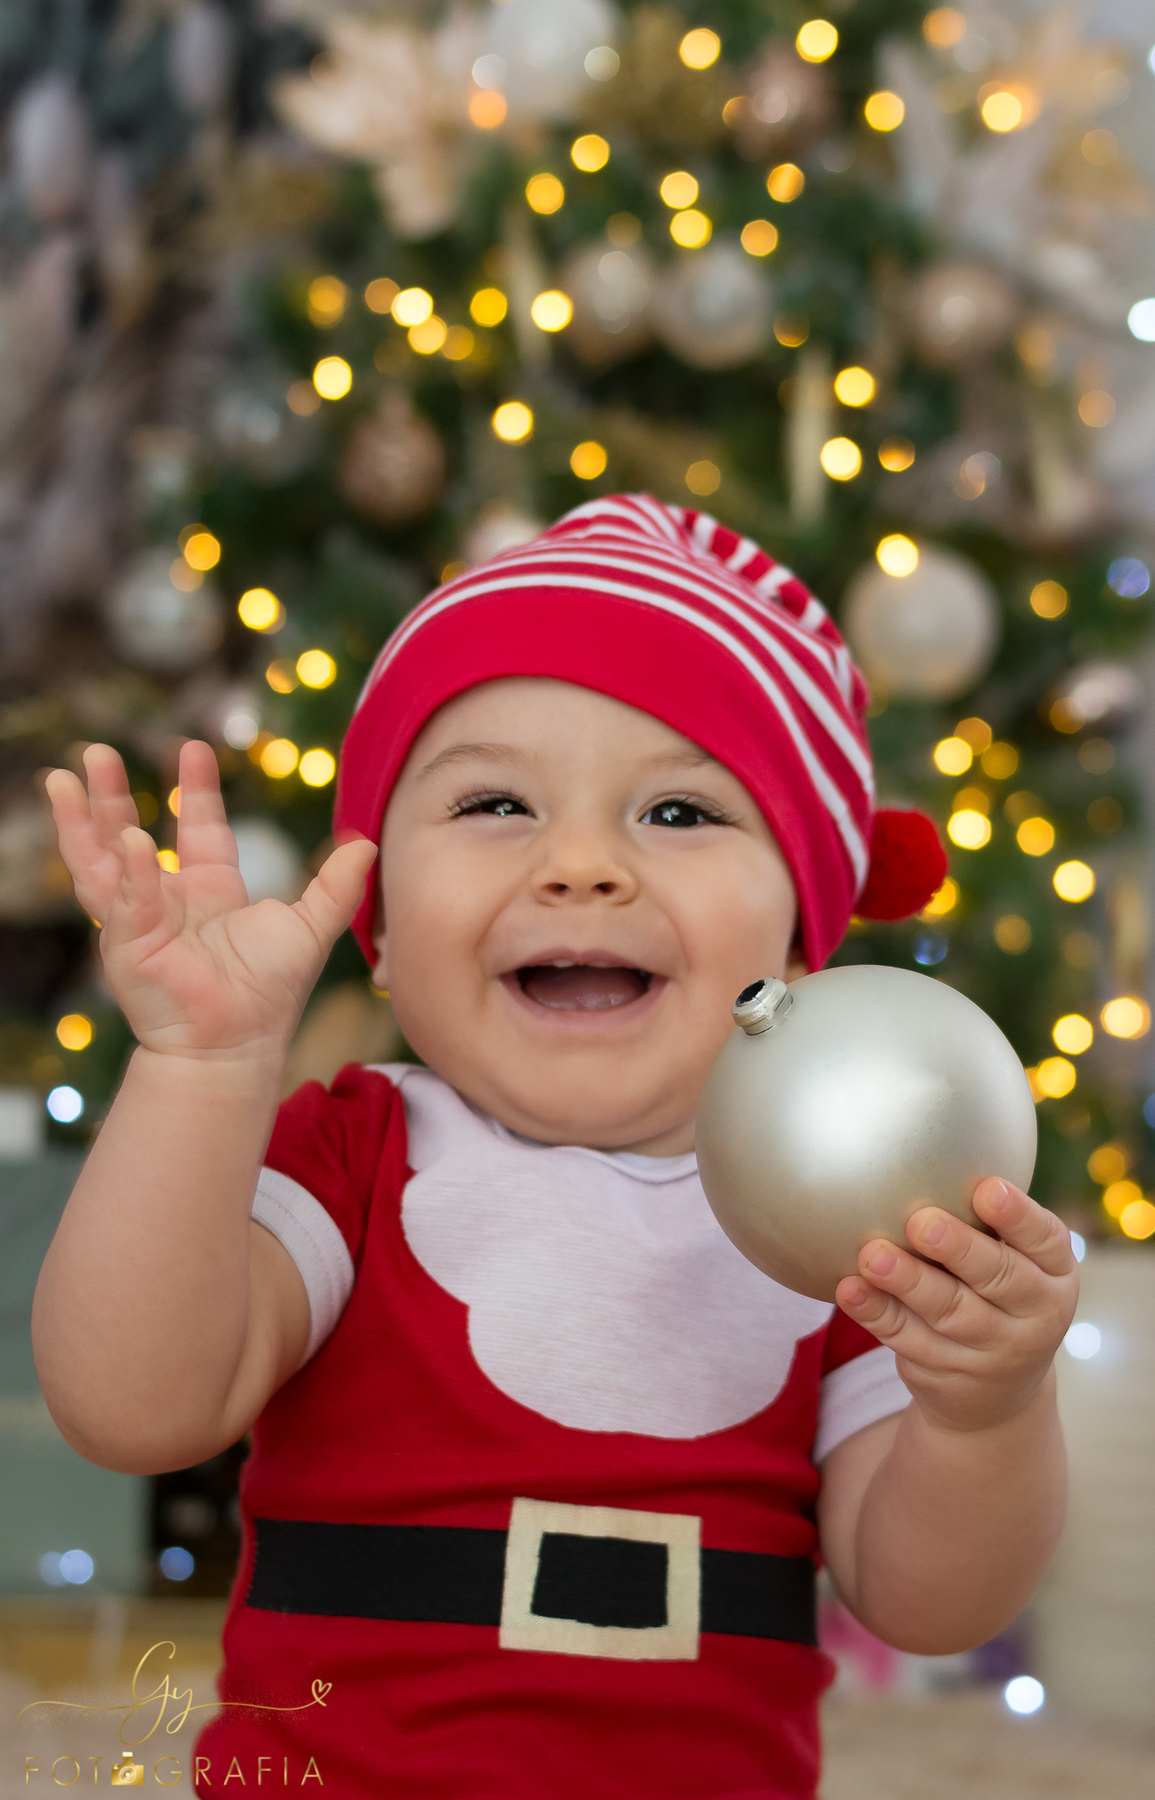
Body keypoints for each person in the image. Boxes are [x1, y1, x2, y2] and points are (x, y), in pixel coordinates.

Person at [34, 495, 1079, 1798]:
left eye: (682, 815)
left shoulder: (852, 1225)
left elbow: (930, 1601)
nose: (582, 867)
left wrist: (988, 1410)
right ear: (384, 915)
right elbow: (130, 1407)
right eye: (494, 802)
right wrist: (200, 1069)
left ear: (804, 939)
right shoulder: (356, 1152)